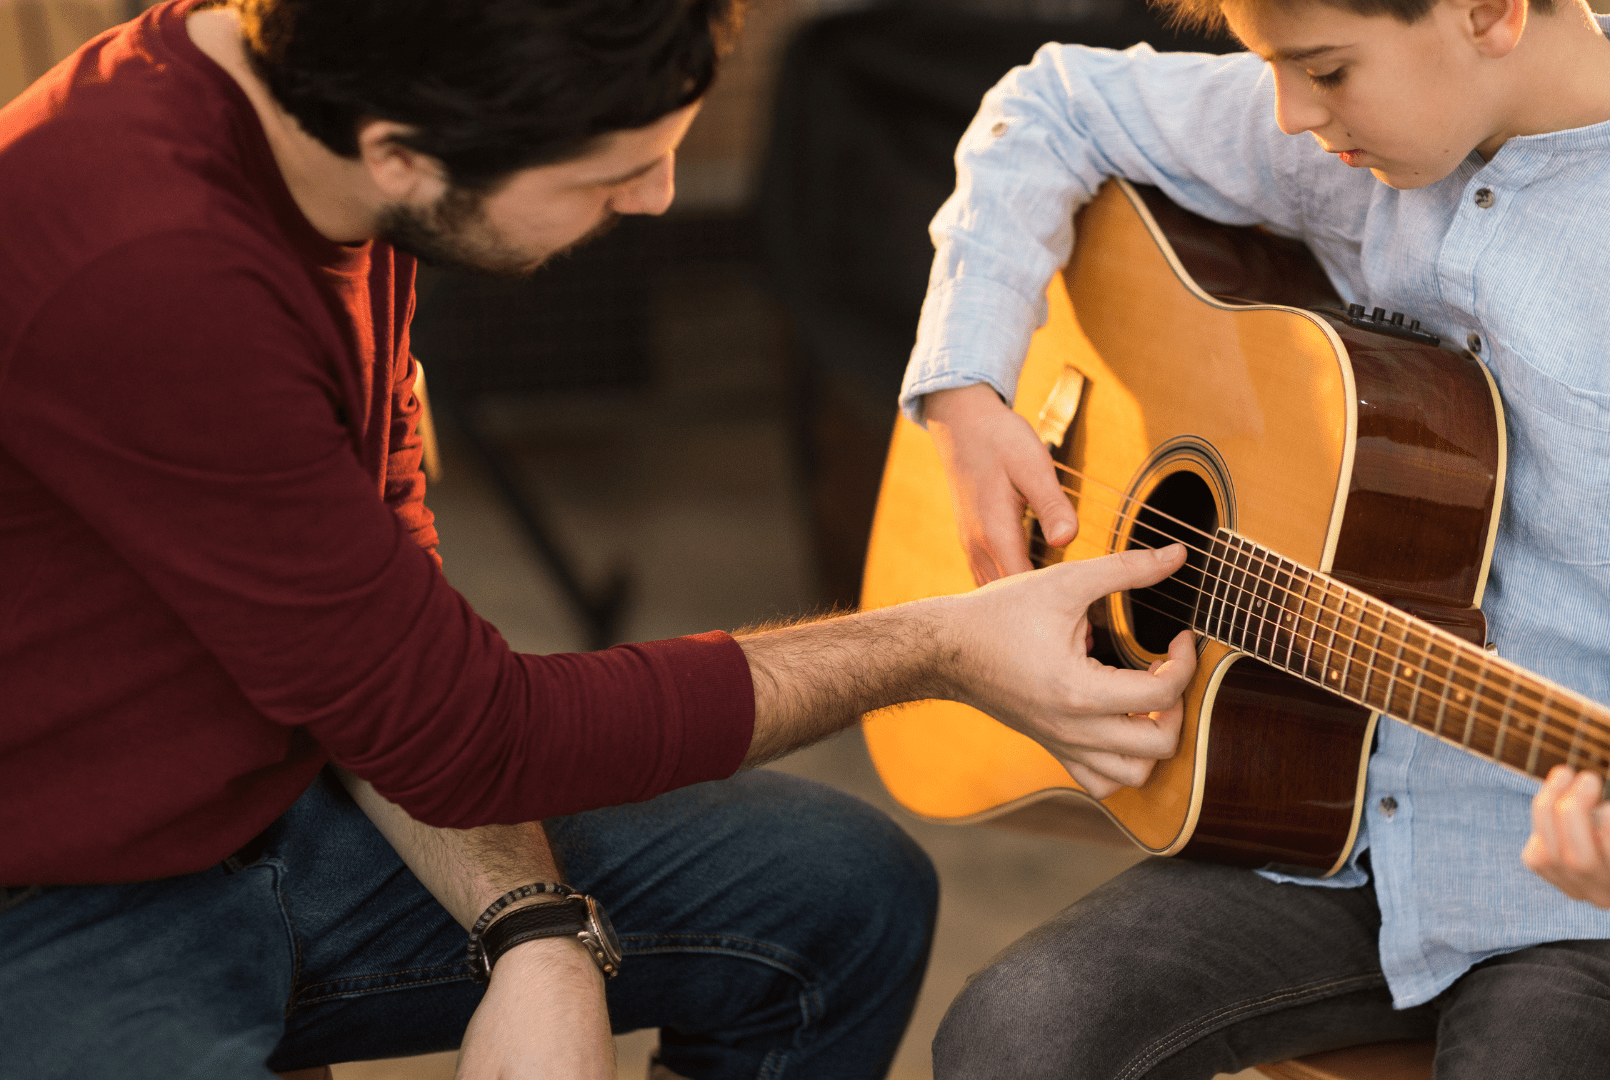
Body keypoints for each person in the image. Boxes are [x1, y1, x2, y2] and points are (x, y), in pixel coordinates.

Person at [0, 1, 1204, 1077]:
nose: (659, 199)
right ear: (402, 157)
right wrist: (936, 648)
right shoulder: (150, 270)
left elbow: (393, 665)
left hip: (266, 800)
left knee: (845, 896)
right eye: (611, 171)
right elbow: (476, 733)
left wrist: (532, 928)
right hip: (53, 902)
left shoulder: (344, 132)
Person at [904, 0, 1610, 1076]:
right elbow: (1052, 101)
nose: (1290, 113)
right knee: (1011, 1038)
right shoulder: (1355, 134)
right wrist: (969, 386)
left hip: (1602, 907)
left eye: (1323, 69)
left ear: (1486, 13)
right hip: (1330, 831)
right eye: (1271, 66)